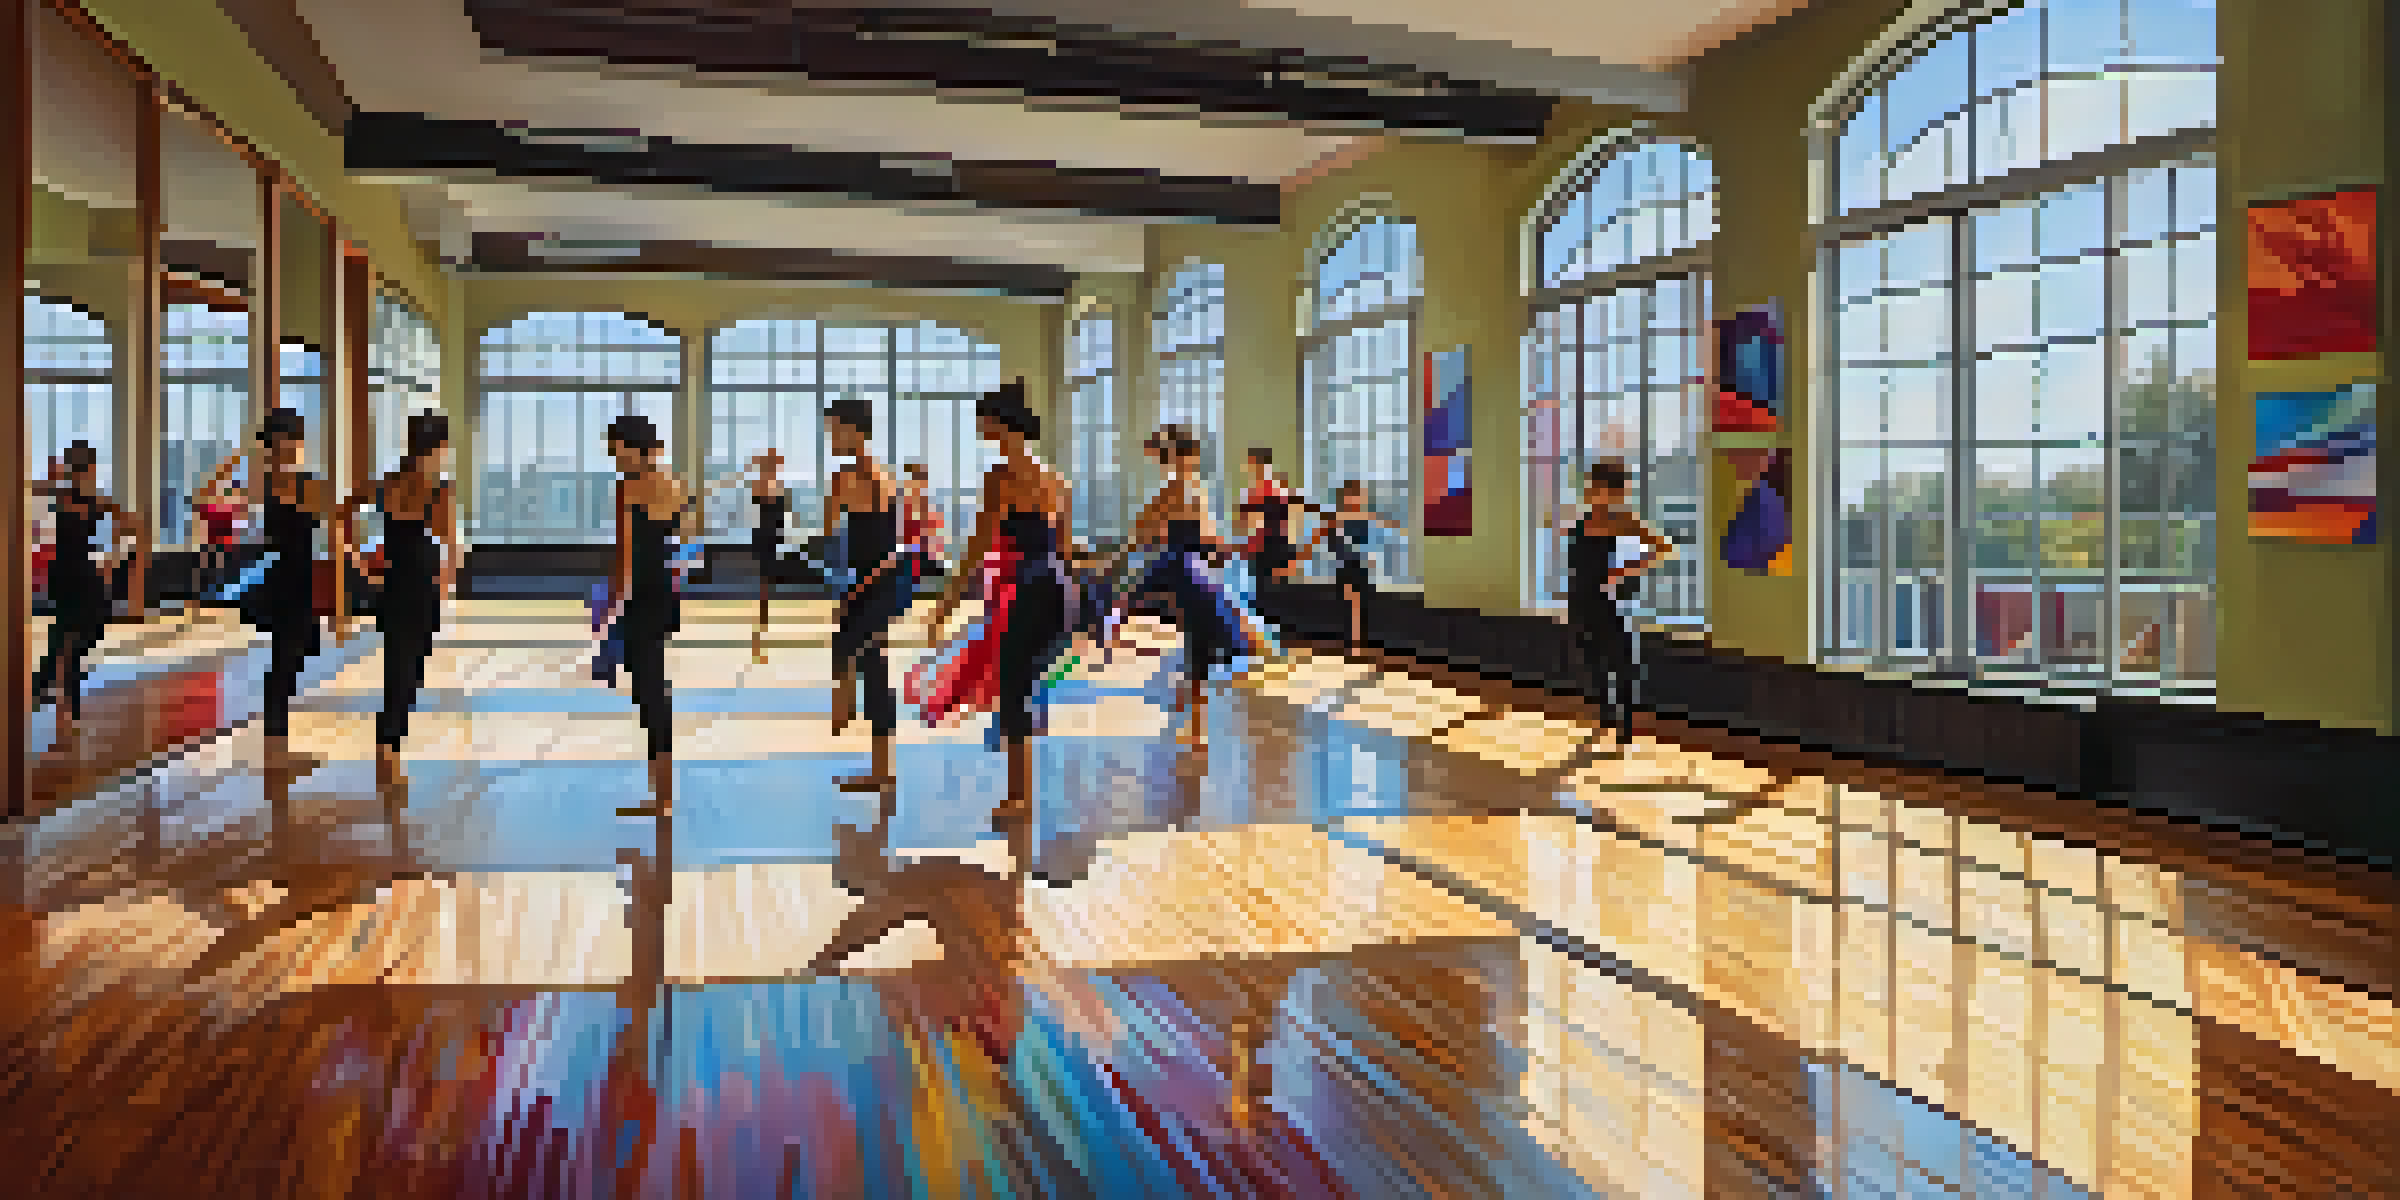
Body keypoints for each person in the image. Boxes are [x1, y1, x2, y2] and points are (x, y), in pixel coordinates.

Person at [906, 379, 1070, 820]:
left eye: (983, 423)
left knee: (1014, 688)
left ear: (1000, 424)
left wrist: (945, 604)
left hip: (1023, 587)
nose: (980, 432)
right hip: (1055, 588)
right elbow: (1066, 552)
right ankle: (1024, 790)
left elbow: (978, 547)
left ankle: (1020, 797)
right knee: (1026, 685)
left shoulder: (1000, 477)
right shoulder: (1057, 481)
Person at [1118, 425, 1266, 749]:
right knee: (1204, 644)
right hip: (1185, 570)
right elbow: (1150, 532)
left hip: (1187, 570)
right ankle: (1191, 725)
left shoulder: (1184, 487)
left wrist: (1224, 548)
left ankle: (1192, 726)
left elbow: (1149, 533)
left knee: (1198, 646)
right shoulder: (1185, 487)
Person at [347, 412, 457, 794]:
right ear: (439, 448)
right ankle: (388, 753)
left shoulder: (388, 485)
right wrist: (447, 586)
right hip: (422, 585)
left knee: (398, 667)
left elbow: (346, 509)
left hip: (393, 585)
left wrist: (360, 563)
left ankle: (387, 751)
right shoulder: (440, 490)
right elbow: (448, 544)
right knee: (409, 672)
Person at [599, 414, 693, 815]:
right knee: (653, 685)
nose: (614, 458)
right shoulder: (675, 484)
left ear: (634, 448)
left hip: (638, 594)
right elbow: (687, 546)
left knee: (648, 688)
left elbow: (624, 554)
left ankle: (663, 798)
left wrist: (610, 606)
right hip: (665, 592)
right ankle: (663, 793)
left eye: (617, 450)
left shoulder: (629, 487)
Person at [249, 407, 350, 777]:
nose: (278, 450)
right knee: (285, 662)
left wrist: (341, 605)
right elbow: (335, 535)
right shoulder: (278, 484)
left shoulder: (296, 484)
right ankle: (276, 751)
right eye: (273, 445)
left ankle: (276, 747)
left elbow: (336, 536)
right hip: (283, 581)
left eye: (282, 442)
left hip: (292, 579)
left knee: (288, 660)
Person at [823, 396, 910, 793]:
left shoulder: (872, 478)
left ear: (855, 432)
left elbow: (887, 546)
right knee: (872, 667)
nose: (830, 437)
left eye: (835, 430)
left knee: (851, 651)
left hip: (881, 583)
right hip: (868, 582)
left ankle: (847, 709)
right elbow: (838, 537)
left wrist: (861, 586)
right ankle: (882, 772)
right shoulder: (866, 476)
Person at [30, 441, 147, 737]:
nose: (87, 473)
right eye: (83, 467)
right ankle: (65, 707)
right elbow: (31, 489)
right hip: (66, 574)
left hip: (83, 572)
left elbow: (132, 526)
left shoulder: (96, 499)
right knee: (68, 640)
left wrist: (116, 550)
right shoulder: (61, 493)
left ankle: (43, 685)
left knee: (80, 633)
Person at [1562, 459, 1675, 754]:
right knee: (1594, 664)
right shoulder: (1583, 519)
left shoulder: (1622, 520)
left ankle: (1624, 728)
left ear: (1611, 491)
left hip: (1606, 600)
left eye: (1596, 487)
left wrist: (1626, 569)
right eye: (1589, 487)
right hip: (1579, 600)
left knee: (1624, 665)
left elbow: (1663, 547)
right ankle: (1606, 719)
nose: (1590, 492)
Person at [1302, 480, 1400, 651]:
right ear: (1344, 498)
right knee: (1350, 603)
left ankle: (1356, 644)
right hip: (1345, 567)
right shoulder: (1336, 519)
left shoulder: (1365, 517)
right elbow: (1317, 539)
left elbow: (1386, 526)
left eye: (1357, 497)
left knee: (1358, 604)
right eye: (1351, 497)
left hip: (1360, 568)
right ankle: (1353, 643)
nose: (1354, 500)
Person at [1237, 448, 1309, 628]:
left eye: (1252, 463)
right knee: (1264, 595)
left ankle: (1280, 630)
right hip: (1264, 548)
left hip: (1273, 547)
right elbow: (1247, 525)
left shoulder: (1273, 491)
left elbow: (1286, 522)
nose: (1250, 467)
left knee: (1273, 594)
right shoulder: (1255, 492)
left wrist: (1293, 553)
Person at [749, 449, 788, 663]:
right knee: (763, 593)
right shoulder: (762, 486)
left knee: (766, 592)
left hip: (773, 543)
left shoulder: (776, 486)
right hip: (764, 543)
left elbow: (779, 523)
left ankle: (761, 638)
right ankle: (759, 641)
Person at [193, 453, 246, 604]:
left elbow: (238, 513)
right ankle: (209, 600)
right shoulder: (213, 490)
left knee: (219, 571)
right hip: (215, 539)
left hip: (224, 540)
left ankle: (214, 600)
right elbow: (202, 512)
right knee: (212, 570)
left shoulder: (232, 489)